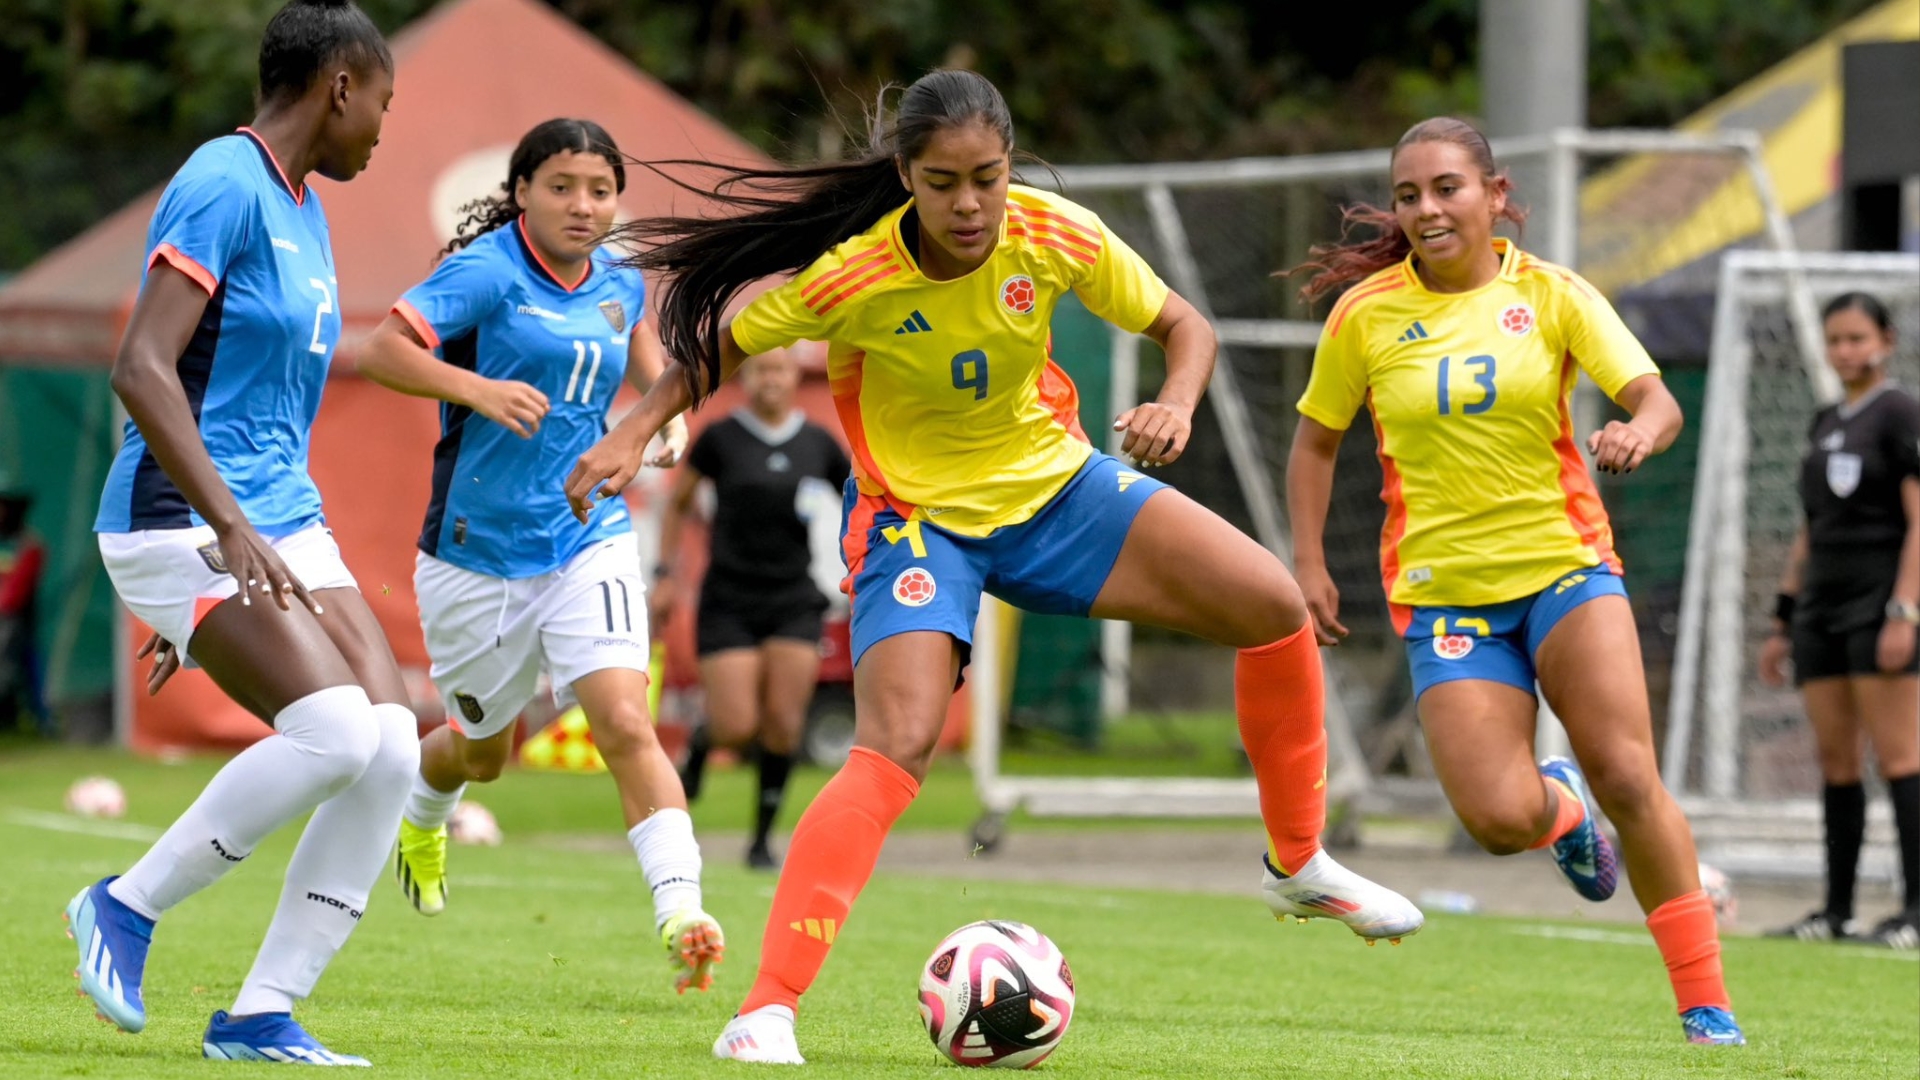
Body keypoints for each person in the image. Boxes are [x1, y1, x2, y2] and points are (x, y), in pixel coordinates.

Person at [565, 68, 1425, 1065]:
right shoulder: (856, 274)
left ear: (1010, 165)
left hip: (1056, 491)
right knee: (897, 743)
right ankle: (764, 1012)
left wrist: (1177, 404)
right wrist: (633, 432)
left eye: (989, 177)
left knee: (1272, 606)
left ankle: (1297, 861)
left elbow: (1183, 326)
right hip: (920, 525)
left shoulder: (1051, 231)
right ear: (906, 177)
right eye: (942, 182)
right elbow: (713, 351)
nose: (970, 204)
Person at [1284, 117, 1743, 1046]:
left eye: (1447, 187)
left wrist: (1635, 433)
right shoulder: (1366, 314)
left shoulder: (1556, 295)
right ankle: (1560, 811)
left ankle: (1705, 1004)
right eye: (1408, 194)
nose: (1426, 209)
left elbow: (1655, 399)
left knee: (1629, 771)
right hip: (1446, 597)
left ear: (1494, 195)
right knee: (1497, 818)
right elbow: (1316, 441)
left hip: (1567, 570)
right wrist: (1306, 562)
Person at [69, 0, 411, 1063]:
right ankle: (124, 906)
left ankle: (261, 1012)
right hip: (187, 519)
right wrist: (220, 537)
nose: (382, 132)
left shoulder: (302, 205)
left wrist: (225, 586)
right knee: (337, 734)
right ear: (339, 86)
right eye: (382, 106)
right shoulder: (224, 181)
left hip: (277, 523)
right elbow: (142, 367)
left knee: (394, 746)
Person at [355, 118, 725, 991]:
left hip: (587, 536)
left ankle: (682, 912)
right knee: (486, 752)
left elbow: (647, 357)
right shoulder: (484, 273)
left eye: (600, 190)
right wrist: (473, 386)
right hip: (473, 558)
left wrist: (660, 418)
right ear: (522, 191)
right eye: (562, 186)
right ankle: (425, 806)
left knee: (626, 723)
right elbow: (381, 349)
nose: (583, 205)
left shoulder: (620, 281)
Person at [1759, 292, 1920, 949]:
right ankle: (1836, 910)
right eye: (1835, 339)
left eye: (1857, 338)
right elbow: (1809, 528)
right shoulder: (1826, 419)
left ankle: (1915, 912)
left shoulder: (1900, 413)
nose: (1845, 350)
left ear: (1885, 340)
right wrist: (1782, 619)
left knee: (1900, 754)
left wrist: (1905, 610)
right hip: (1821, 607)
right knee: (1836, 760)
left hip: (1879, 603)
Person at [655, 346, 851, 870]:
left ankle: (762, 840)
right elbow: (676, 506)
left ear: (794, 378)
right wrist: (664, 575)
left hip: (793, 599)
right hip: (730, 598)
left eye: (781, 369)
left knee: (784, 725)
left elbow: (860, 505)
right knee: (736, 726)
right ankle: (701, 744)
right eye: (761, 368)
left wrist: (865, 563)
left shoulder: (818, 443)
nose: (771, 378)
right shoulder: (720, 439)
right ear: (747, 378)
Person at [0, 492, 47, 732]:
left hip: (18, 624)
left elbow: (14, 594)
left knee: (27, 672)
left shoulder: (28, 544)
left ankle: (42, 723)